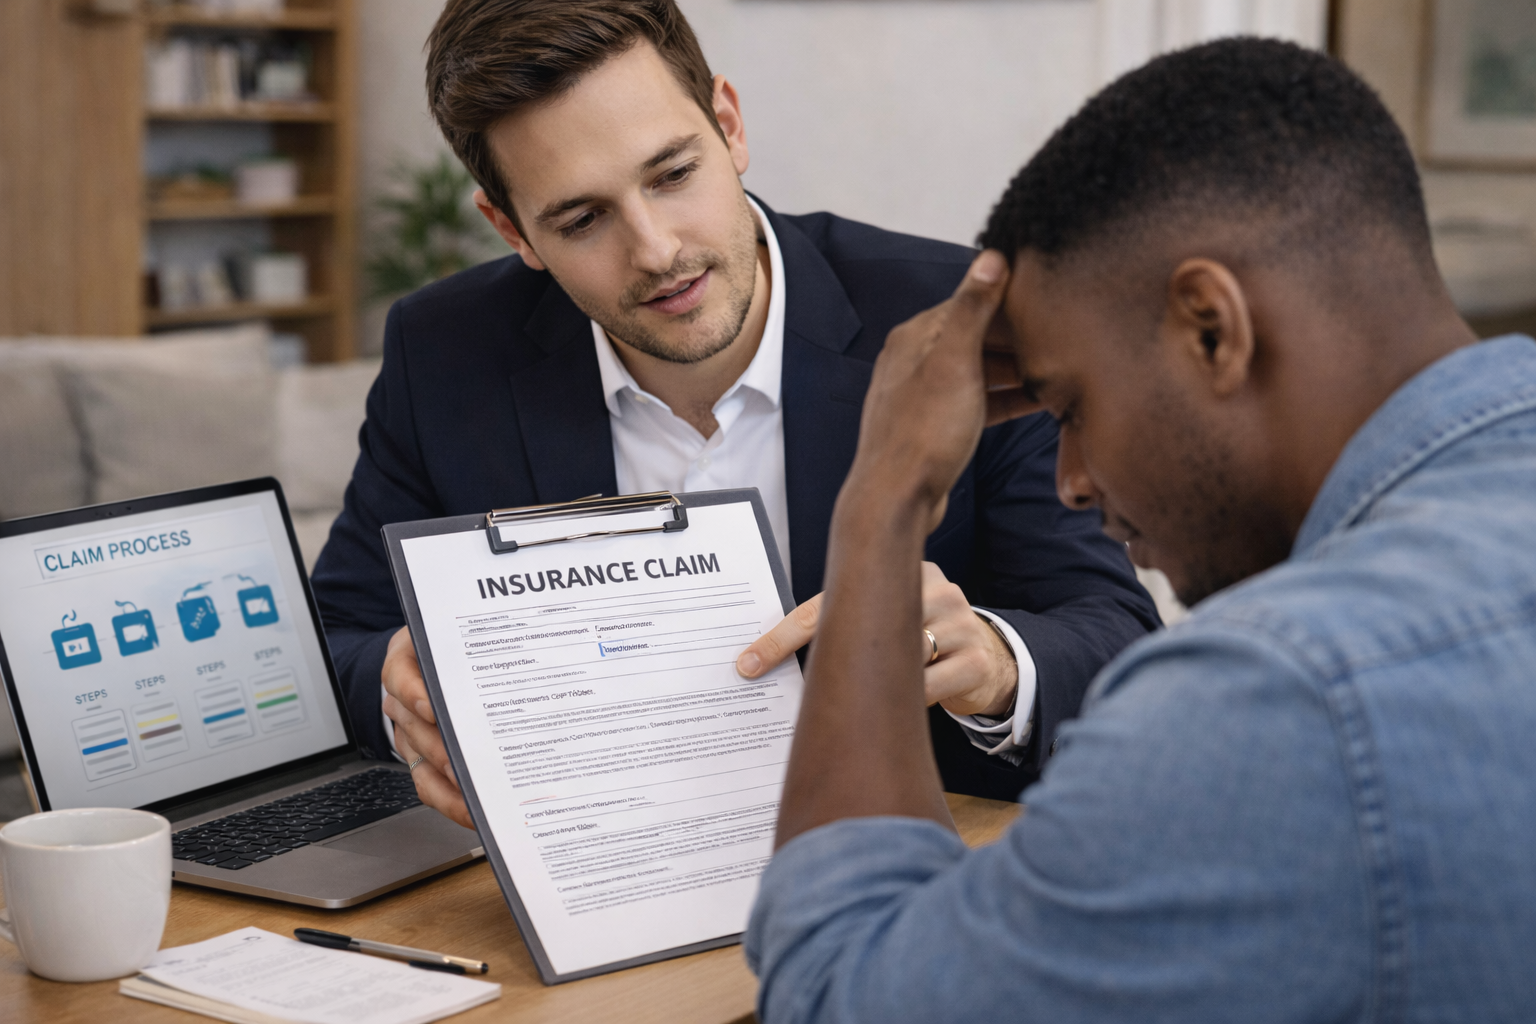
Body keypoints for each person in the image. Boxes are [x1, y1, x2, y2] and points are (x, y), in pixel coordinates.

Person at [746, 37, 1536, 1021]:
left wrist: (880, 503)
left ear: (1211, 325)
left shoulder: (1279, 699)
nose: (1072, 482)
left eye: (1069, 404)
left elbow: (840, 993)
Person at [308, 0, 1158, 824]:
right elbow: (340, 633)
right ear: (513, 230)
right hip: (604, 872)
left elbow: (1115, 642)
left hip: (909, 865)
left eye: (674, 174)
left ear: (729, 123)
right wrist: (399, 690)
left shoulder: (956, 316)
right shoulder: (445, 351)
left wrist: (996, 663)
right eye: (582, 218)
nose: (657, 251)